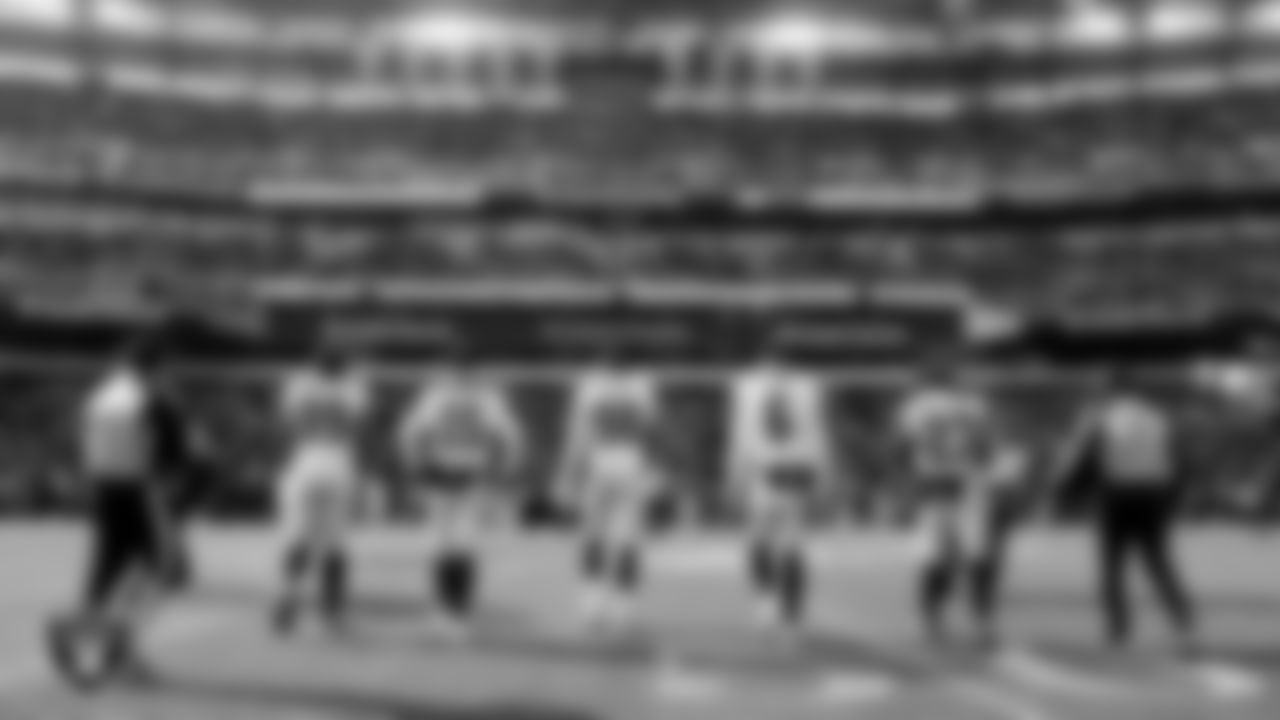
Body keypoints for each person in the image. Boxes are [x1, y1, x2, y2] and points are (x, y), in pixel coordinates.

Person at [48, 333, 192, 687]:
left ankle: (85, 633)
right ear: (159, 366)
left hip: (102, 488)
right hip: (141, 489)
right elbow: (173, 461)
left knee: (106, 569)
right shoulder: (154, 401)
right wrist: (173, 502)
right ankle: (118, 646)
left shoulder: (100, 396)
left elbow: (80, 441)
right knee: (165, 569)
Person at [1057, 368, 1199, 653]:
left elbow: (1087, 458)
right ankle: (1182, 621)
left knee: (1112, 564)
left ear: (1111, 389)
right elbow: (1179, 458)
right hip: (1154, 494)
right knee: (1158, 561)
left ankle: (1118, 628)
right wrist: (1176, 495)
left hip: (1118, 493)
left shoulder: (1102, 417)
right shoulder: (1157, 417)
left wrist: (1067, 495)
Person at [397, 345, 523, 636]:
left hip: (463, 473)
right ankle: (449, 610)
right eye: (458, 366)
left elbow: (509, 437)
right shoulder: (451, 395)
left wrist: (416, 467)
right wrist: (417, 466)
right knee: (448, 544)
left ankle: (456, 611)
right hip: (451, 472)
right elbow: (412, 433)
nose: (461, 371)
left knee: (459, 544)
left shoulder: (470, 397)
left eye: (463, 366)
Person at [895, 357, 1009, 647]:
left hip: (934, 484)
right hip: (968, 484)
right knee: (977, 556)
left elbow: (903, 447)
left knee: (936, 557)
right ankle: (982, 622)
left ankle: (933, 619)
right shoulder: (974, 406)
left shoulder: (918, 406)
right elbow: (987, 448)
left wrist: (906, 486)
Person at [727, 335, 834, 628]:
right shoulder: (807, 387)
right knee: (791, 545)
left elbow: (741, 434)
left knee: (764, 542)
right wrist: (823, 475)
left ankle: (769, 601)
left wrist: (734, 475)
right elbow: (817, 433)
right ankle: (789, 608)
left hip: (769, 471)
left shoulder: (749, 387)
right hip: (796, 472)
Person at [555, 345, 664, 630]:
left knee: (622, 540)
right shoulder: (604, 386)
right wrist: (570, 472)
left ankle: (612, 603)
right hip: (609, 464)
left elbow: (650, 433)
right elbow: (579, 433)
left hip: (621, 465)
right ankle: (601, 601)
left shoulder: (634, 387)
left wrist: (569, 474)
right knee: (600, 537)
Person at [271, 345, 371, 635]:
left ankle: (289, 593)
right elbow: (357, 426)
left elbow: (288, 423)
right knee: (334, 543)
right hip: (338, 462)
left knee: (297, 535)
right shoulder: (353, 388)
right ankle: (332, 611)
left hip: (304, 461)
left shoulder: (298, 385)